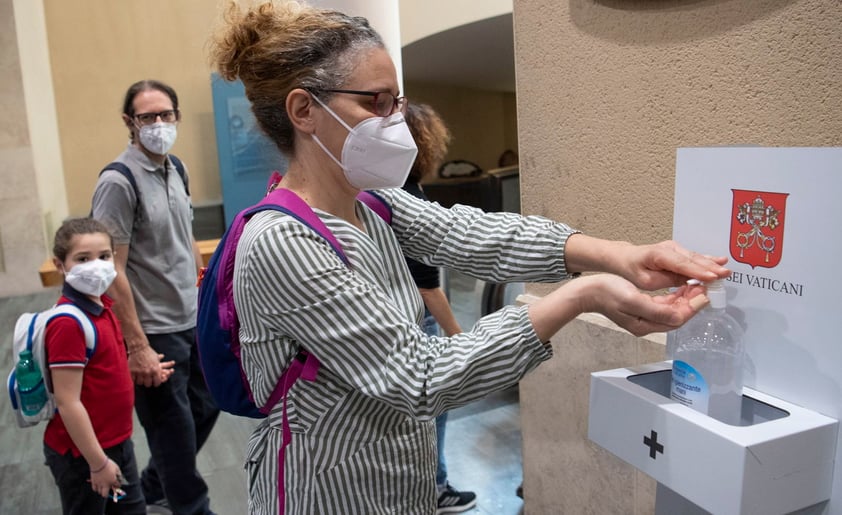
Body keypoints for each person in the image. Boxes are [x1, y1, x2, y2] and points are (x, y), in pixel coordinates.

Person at [208, 2, 729, 513]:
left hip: (398, 484)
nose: (394, 121)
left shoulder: (372, 203)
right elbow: (420, 376)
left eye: (397, 102)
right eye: (375, 103)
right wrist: (583, 294)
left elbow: (472, 233)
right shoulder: (282, 241)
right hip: (325, 491)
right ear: (304, 111)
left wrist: (618, 255)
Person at [91, 80, 220, 515]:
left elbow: (181, 240)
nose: (159, 124)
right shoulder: (118, 180)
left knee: (207, 405)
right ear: (130, 123)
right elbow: (110, 270)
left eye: (166, 114)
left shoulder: (175, 167)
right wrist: (138, 345)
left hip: (191, 317)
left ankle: (153, 483)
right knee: (173, 431)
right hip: (153, 329)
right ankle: (191, 506)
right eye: (148, 117)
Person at [43, 217, 169, 515]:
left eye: (104, 256)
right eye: (83, 259)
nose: (96, 265)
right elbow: (67, 400)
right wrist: (97, 463)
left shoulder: (103, 307)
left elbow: (100, 367)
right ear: (60, 264)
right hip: (83, 455)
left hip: (117, 443)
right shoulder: (68, 323)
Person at [402, 102, 476, 513]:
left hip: (393, 319)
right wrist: (459, 338)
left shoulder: (374, 193)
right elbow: (427, 286)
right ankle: (436, 487)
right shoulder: (411, 199)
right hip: (417, 321)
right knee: (435, 409)